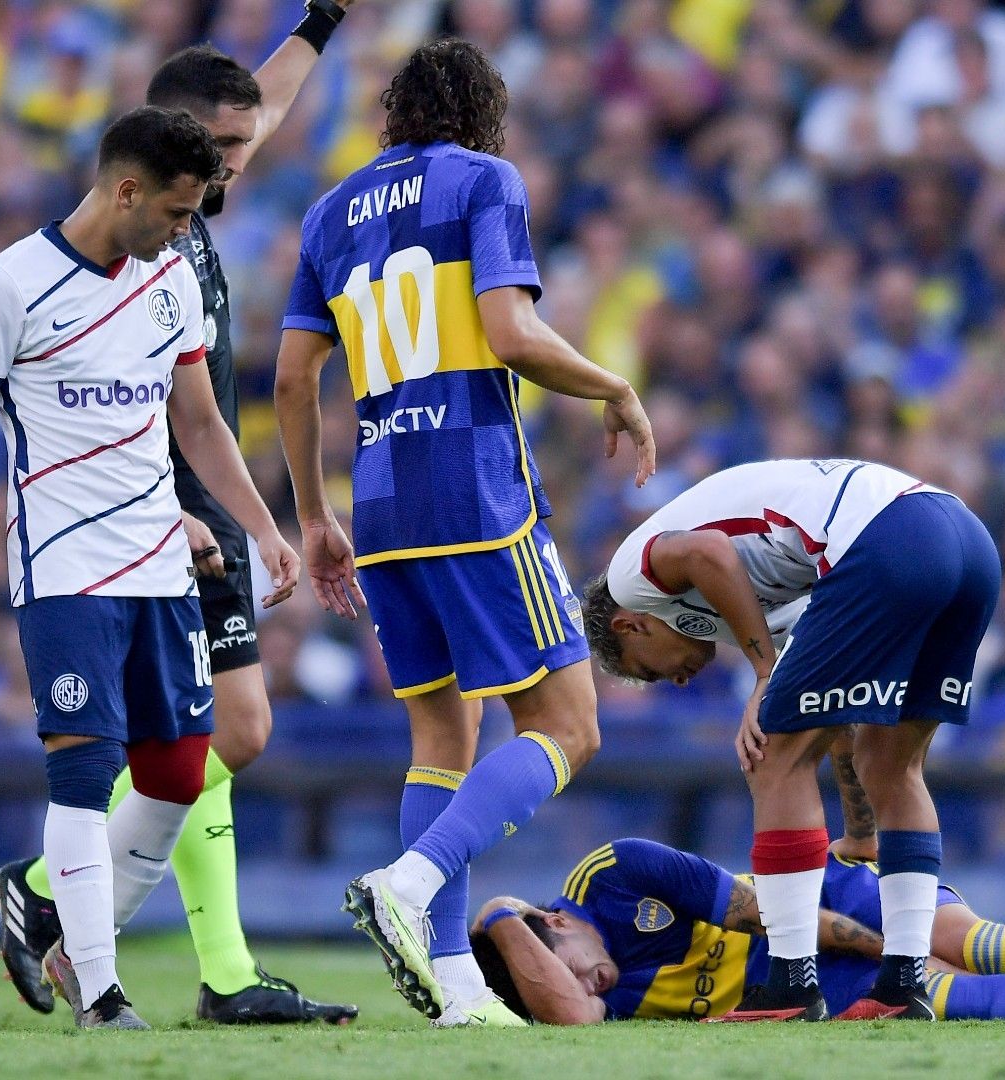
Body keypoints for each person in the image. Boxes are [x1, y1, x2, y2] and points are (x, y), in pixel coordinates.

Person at [0, 0, 363, 1028]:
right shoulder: (143, 234)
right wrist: (170, 510)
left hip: (203, 491)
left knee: (223, 735)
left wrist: (322, 21)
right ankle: (133, 931)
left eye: (240, 146)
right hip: (161, 504)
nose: (242, 163)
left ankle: (88, 911)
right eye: (226, 148)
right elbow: (114, 394)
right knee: (221, 730)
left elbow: (266, 102)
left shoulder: (195, 194)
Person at [274, 39, 655, 1027]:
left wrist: (314, 516)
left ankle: (454, 988)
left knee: (442, 736)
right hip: (475, 493)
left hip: (380, 504)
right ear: (485, 113)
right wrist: (612, 385)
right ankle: (409, 881)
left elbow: (292, 379)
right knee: (568, 725)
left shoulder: (328, 214)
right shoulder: (485, 180)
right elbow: (512, 334)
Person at [0, 106, 302, 1030]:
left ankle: (61, 931)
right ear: (126, 190)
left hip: (162, 564)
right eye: (176, 211)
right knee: (85, 771)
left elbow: (199, 423)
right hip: (64, 565)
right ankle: (101, 991)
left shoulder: (171, 282)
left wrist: (262, 528)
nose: (184, 230)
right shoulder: (7, 285)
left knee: (176, 774)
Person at [579, 458, 998, 1021]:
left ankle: (791, 983)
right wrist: (861, 832)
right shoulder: (765, 600)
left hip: (886, 536)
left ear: (630, 625)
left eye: (650, 670)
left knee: (771, 756)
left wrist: (762, 675)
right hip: (966, 542)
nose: (676, 680)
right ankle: (903, 984)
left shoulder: (630, 579)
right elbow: (838, 712)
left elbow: (709, 552)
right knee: (891, 766)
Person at [469, 837, 1005, 1024]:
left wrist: (894, 945)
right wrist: (500, 918)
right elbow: (572, 1016)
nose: (586, 986)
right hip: (803, 983)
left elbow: (775, 912)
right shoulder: (563, 990)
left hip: (821, 905)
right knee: (952, 1000)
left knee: (979, 945)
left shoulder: (614, 873)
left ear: (560, 919)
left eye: (570, 964)